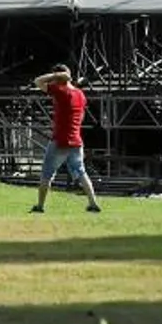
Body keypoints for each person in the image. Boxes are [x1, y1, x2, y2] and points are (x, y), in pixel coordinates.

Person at [31, 64, 100, 214]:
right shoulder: (80, 94)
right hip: (76, 140)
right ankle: (93, 203)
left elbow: (37, 81)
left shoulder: (61, 91)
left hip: (60, 140)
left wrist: (55, 76)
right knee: (81, 172)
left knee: (47, 173)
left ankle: (40, 206)